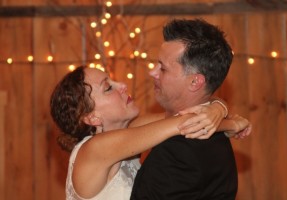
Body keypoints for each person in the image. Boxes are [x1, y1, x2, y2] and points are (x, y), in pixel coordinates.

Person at [50, 66, 250, 200]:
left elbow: (195, 109)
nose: (122, 85)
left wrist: (218, 108)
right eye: (108, 88)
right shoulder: (94, 148)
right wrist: (230, 125)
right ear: (92, 117)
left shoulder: (130, 130)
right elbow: (184, 124)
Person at [130, 18, 243, 200]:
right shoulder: (215, 132)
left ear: (195, 81)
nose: (153, 72)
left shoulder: (177, 151)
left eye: (163, 68)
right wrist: (220, 106)